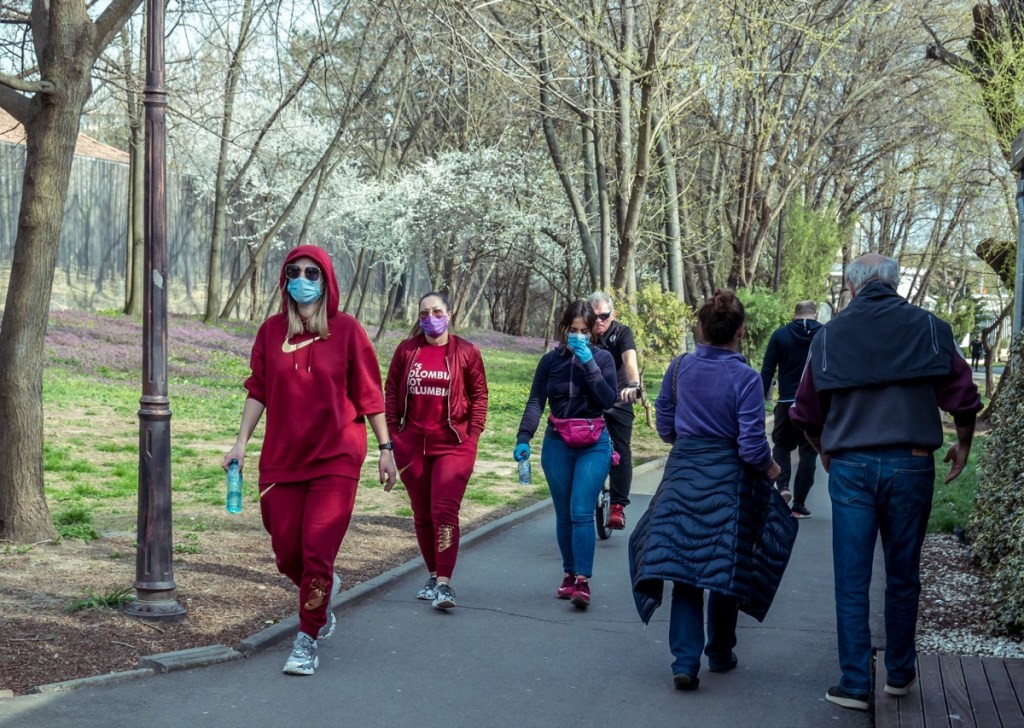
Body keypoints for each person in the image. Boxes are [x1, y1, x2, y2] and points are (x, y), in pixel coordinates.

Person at [790, 254, 981, 711]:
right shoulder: (931, 328)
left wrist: (824, 450)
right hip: (911, 463)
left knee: (852, 578)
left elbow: (806, 411)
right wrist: (964, 443)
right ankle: (899, 672)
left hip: (852, 466)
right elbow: (963, 396)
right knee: (903, 574)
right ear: (896, 286)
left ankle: (854, 682)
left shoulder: (830, 336)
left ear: (852, 289)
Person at [222, 244, 397, 677]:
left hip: (336, 457)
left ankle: (307, 637)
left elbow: (371, 396)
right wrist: (240, 444)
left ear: (326, 280)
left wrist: (385, 450)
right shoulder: (270, 332)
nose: (302, 279)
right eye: (294, 271)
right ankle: (321, 592)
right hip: (283, 457)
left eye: (312, 273)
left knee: (317, 551)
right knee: (286, 552)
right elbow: (258, 388)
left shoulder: (348, 330)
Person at [629, 290, 796, 692]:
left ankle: (685, 661)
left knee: (683, 568)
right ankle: (720, 653)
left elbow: (665, 423)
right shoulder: (746, 378)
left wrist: (684, 439)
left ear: (701, 329)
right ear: (741, 331)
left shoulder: (680, 367)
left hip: (683, 473)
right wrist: (773, 470)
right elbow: (752, 446)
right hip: (729, 481)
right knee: (724, 565)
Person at [384, 292, 488, 610]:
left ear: (449, 313)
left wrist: (472, 436)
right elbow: (390, 393)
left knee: (444, 511)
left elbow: (479, 395)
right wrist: (393, 436)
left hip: (453, 445)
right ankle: (431, 575)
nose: (431, 317)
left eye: (437, 311)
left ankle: (445, 583)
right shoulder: (407, 350)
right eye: (425, 312)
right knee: (422, 514)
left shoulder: (466, 352)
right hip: (412, 444)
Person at [514, 300, 617, 609]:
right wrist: (524, 437)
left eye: (584, 332)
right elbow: (536, 401)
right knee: (564, 513)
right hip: (557, 441)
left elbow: (608, 399)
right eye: (572, 331)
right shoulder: (549, 362)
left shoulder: (604, 359)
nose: (578, 337)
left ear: (593, 333)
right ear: (563, 329)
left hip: (593, 442)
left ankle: (583, 581)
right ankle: (569, 573)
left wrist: (589, 365)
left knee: (582, 510)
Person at [759, 301, 822, 518]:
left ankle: (783, 485)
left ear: (794, 313)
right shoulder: (824, 335)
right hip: (812, 405)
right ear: (815, 314)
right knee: (809, 453)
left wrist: (757, 402)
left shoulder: (780, 335)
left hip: (786, 402)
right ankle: (799, 505)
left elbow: (767, 371)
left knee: (782, 445)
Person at [587, 291, 641, 530]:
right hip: (589, 399)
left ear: (613, 315)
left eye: (604, 316)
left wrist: (634, 385)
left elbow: (629, 361)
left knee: (621, 449)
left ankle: (618, 506)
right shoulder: (583, 333)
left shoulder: (622, 332)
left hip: (619, 397)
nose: (598, 321)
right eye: (593, 316)